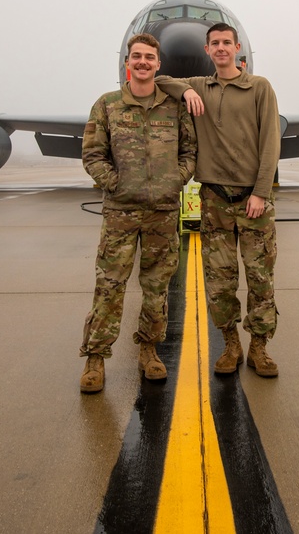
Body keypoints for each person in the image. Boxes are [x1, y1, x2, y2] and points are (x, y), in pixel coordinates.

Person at [155, 23, 281, 377]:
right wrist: (186, 92)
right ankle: (231, 346)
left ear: (237, 48)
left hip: (253, 201)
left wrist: (260, 191)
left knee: (260, 279)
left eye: (227, 42)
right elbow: (162, 79)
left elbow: (271, 143)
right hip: (214, 200)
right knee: (219, 282)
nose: (222, 48)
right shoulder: (200, 86)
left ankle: (259, 347)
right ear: (207, 50)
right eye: (215, 44)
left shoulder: (259, 88)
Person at [78, 33, 197, 394]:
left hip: (162, 212)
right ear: (127, 62)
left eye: (149, 57)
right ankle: (95, 358)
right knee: (109, 286)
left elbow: (190, 153)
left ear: (158, 65)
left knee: (156, 287)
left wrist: (172, 182)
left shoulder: (174, 108)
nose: (143, 62)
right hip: (120, 213)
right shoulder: (107, 105)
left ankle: (149, 349)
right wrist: (114, 184)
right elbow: (92, 155)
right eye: (136, 56)